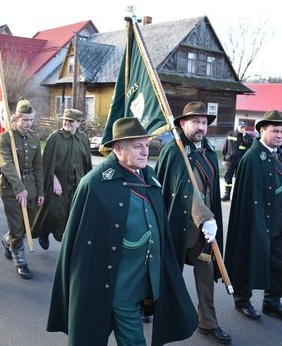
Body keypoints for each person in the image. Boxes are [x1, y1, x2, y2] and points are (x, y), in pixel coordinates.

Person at [47, 117, 198, 345]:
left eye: (147, 145)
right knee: (133, 339)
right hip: (119, 283)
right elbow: (79, 245)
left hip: (146, 278)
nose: (145, 152)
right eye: (138, 146)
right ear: (118, 148)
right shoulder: (96, 183)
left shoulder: (149, 176)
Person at [154, 101, 231, 344]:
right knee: (165, 274)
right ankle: (150, 308)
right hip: (177, 226)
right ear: (182, 123)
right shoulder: (173, 151)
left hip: (202, 231)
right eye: (195, 121)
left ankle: (208, 322)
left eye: (204, 122)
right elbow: (184, 189)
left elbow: (208, 191)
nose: (201, 127)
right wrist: (205, 217)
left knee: (206, 276)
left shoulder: (208, 151)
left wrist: (209, 219)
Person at [225, 110, 282, 320]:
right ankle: (242, 301)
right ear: (261, 131)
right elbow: (245, 199)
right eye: (275, 131)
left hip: (280, 224)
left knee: (279, 263)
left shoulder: (279, 156)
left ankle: (272, 302)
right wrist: (254, 225)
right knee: (247, 258)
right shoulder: (251, 158)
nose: (280, 135)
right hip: (257, 223)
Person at [31, 108, 92, 250]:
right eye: (65, 120)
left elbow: (87, 162)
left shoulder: (83, 138)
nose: (66, 123)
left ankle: (67, 241)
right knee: (53, 212)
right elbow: (47, 162)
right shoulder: (55, 137)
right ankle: (43, 232)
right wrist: (54, 181)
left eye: (70, 121)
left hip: (77, 183)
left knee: (71, 214)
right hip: (58, 184)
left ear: (78, 123)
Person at [0, 100, 44, 279]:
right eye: (25, 120)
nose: (28, 123)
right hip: (11, 189)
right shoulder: (5, 138)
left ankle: (7, 239)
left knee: (28, 225)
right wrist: (19, 188)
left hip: (31, 186)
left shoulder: (34, 138)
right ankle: (20, 261)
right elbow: (6, 164)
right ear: (16, 118)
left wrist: (40, 192)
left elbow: (38, 167)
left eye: (31, 120)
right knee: (17, 226)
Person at [220, 119, 254, 201]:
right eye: (241, 127)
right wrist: (224, 158)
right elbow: (225, 147)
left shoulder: (247, 137)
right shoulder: (230, 134)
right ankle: (227, 194)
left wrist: (245, 136)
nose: (242, 128)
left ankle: (238, 196)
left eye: (244, 127)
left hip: (240, 162)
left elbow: (251, 145)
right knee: (227, 178)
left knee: (239, 179)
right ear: (237, 126)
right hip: (230, 161)